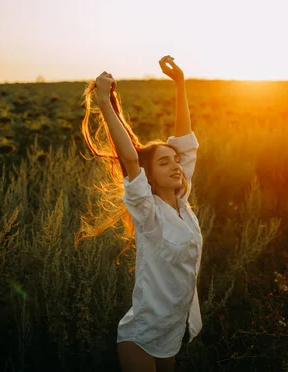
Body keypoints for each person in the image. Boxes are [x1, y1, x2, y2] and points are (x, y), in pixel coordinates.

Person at [75, 55, 203, 371]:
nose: (176, 165)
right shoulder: (149, 213)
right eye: (164, 162)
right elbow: (131, 161)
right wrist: (105, 102)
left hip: (170, 333)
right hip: (142, 336)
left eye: (176, 161)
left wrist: (180, 84)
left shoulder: (182, 202)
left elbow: (186, 145)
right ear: (149, 177)